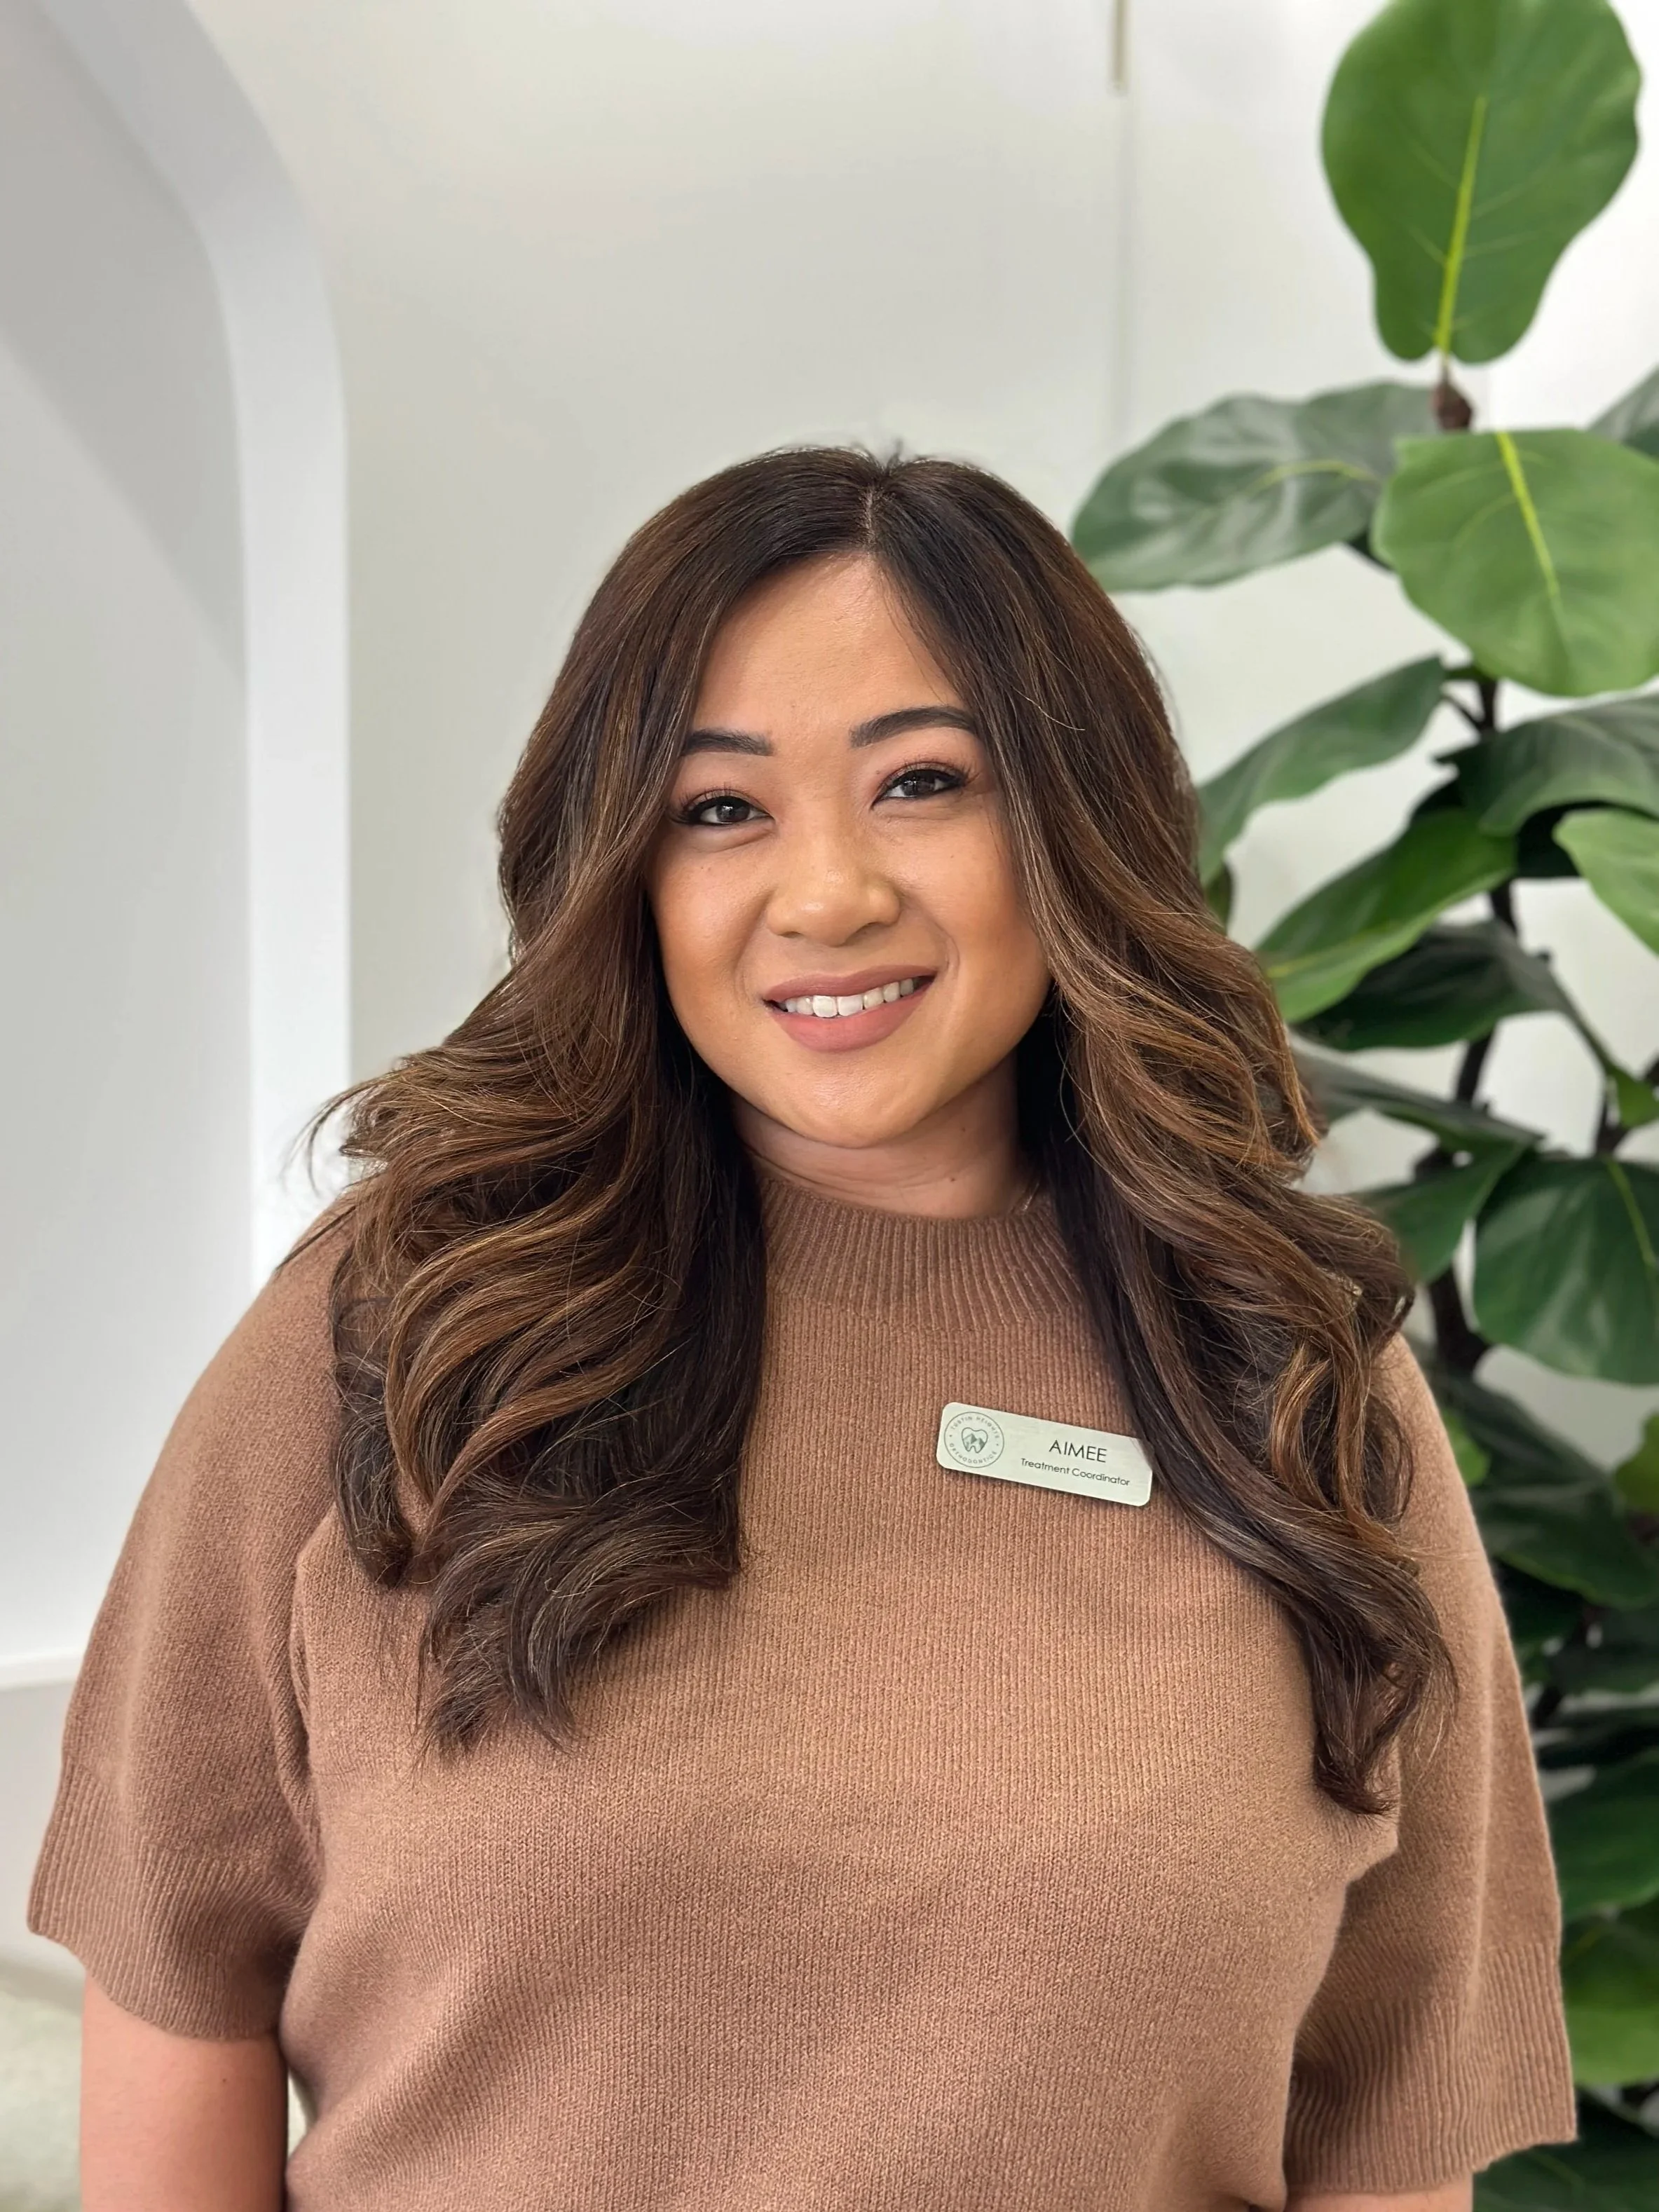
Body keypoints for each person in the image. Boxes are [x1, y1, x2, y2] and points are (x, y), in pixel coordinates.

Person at [32, 448, 1575, 2212]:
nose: (827, 893)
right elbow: (175, 1985)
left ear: (1074, 825)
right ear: (627, 868)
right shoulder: (399, 1325)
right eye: (721, 809)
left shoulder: (1289, 1369)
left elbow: (1387, 2134)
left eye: (924, 783)